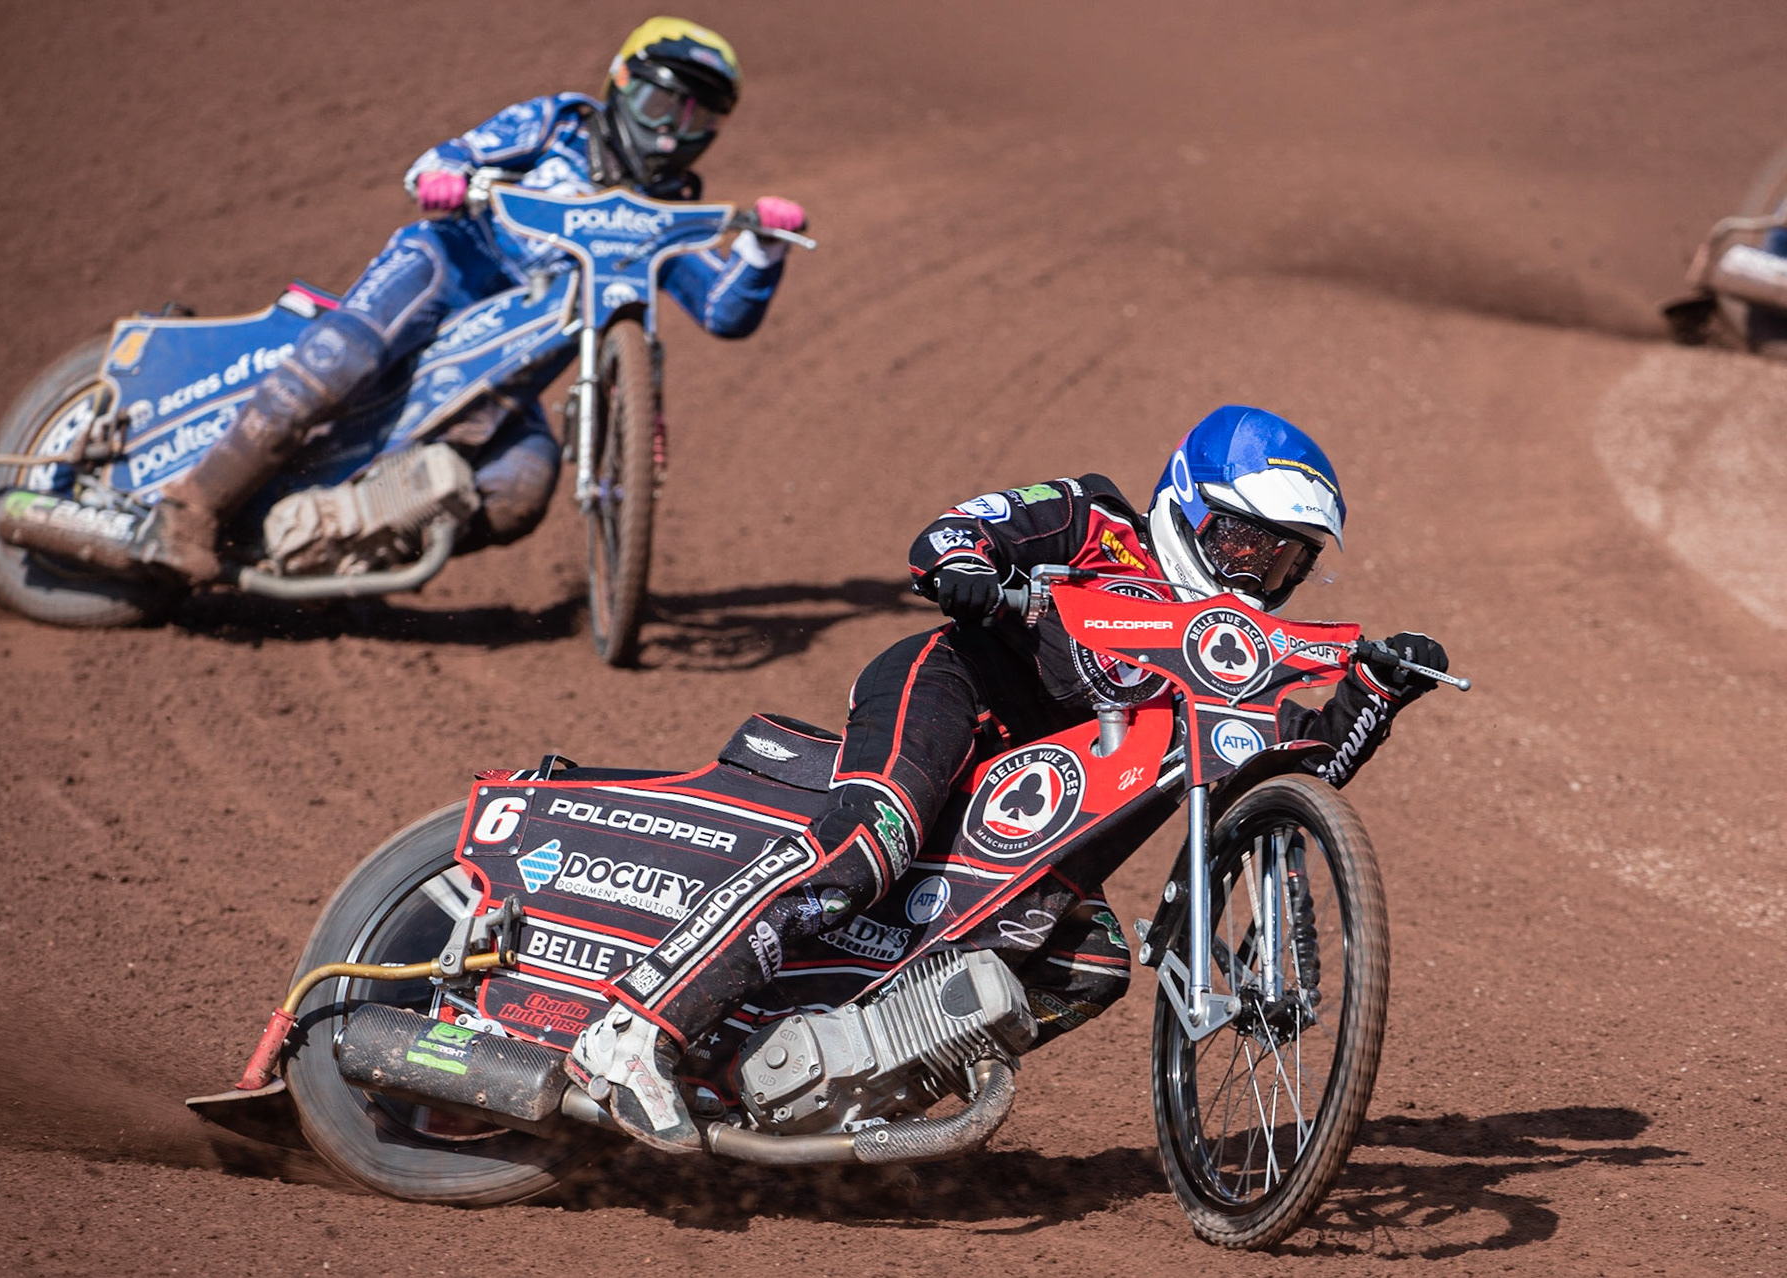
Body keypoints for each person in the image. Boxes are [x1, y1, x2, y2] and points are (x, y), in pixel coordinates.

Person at [569, 404, 1450, 1151]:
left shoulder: (1233, 658)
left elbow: (1289, 778)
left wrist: (1375, 694)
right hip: (952, 692)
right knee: (872, 842)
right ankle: (635, 1029)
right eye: (1246, 541)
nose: (1258, 572)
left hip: (1033, 818)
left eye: (1284, 560)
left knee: (1091, 961)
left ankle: (832, 1089)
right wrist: (969, 574)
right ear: (1187, 503)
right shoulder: (1096, 520)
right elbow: (952, 533)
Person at [139, 17, 806, 581]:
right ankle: (190, 506)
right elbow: (448, 156)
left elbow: (724, 311)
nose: (673, 132)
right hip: (447, 273)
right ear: (622, 85)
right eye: (665, 105)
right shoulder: (560, 125)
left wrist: (763, 249)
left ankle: (328, 550)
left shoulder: (670, 210)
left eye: (700, 117)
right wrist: (447, 176)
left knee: (522, 488)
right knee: (339, 360)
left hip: (509, 372)